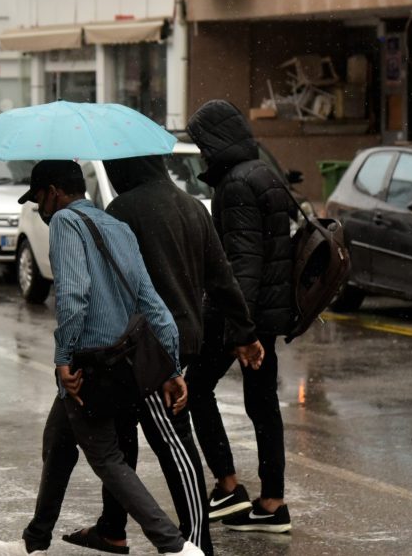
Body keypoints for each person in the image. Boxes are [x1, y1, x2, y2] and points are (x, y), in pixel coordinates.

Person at [0, 160, 204, 556]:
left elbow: (73, 295)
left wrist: (63, 359)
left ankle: (174, 547)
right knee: (58, 443)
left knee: (107, 458)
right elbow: (150, 300)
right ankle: (34, 542)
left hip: (89, 365)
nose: (39, 208)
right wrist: (171, 367)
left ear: (53, 192)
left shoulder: (65, 225)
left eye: (38, 198)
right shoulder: (116, 226)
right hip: (121, 363)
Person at [61, 155, 265, 555]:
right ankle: (112, 528)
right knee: (126, 435)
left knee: (171, 441)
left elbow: (109, 284)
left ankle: (196, 544)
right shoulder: (192, 206)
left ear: (125, 170)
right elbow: (221, 277)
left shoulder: (123, 210)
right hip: (183, 335)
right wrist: (244, 331)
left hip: (146, 346)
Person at [185, 100, 296, 533]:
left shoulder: (235, 185)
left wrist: (241, 332)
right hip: (267, 313)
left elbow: (244, 265)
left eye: (201, 144)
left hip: (243, 315)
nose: (201, 153)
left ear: (214, 141)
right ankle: (271, 503)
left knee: (196, 388)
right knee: (263, 404)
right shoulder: (264, 173)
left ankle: (229, 488)